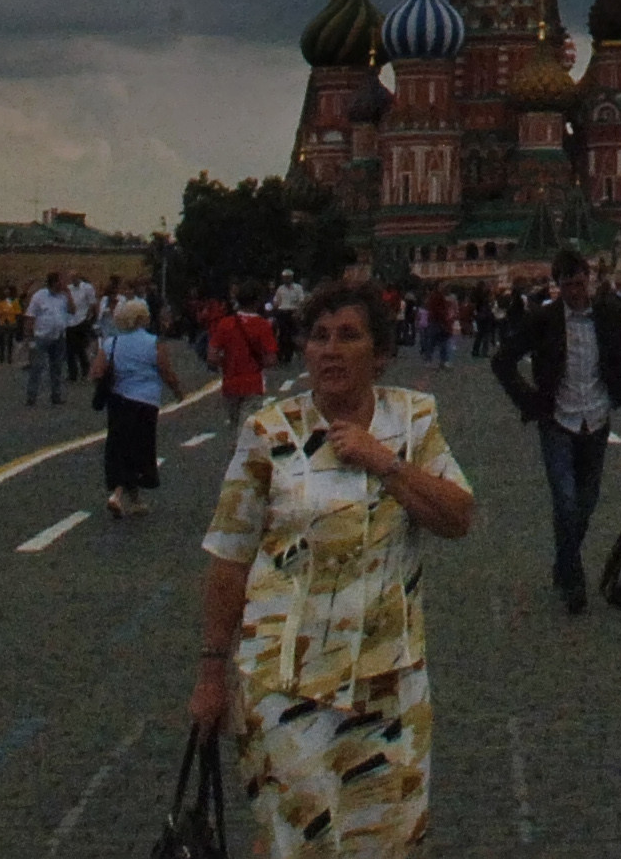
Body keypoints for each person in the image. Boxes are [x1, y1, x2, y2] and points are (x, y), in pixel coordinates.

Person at [192, 279, 478, 854]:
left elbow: (457, 517)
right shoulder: (267, 433)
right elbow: (229, 556)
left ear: (380, 353)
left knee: (389, 843)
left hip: (388, 681)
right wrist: (209, 674)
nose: (329, 349)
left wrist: (386, 463)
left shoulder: (413, 419)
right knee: (296, 842)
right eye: (319, 337)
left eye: (348, 336)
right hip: (283, 680)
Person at [492, 248, 621, 615]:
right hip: (558, 418)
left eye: (581, 283)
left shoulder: (608, 314)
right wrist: (529, 401)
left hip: (595, 416)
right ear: (558, 286)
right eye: (569, 286)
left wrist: (620, 384)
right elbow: (503, 359)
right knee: (564, 499)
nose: (576, 292)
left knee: (587, 499)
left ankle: (564, 563)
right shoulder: (543, 319)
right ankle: (573, 577)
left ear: (589, 280)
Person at [99, 296, 186, 517]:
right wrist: (178, 393)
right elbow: (166, 371)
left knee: (119, 445)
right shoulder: (152, 342)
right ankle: (118, 494)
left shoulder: (112, 343)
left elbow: (96, 372)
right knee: (138, 449)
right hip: (145, 401)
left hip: (118, 400)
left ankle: (135, 500)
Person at [207, 284, 278, 428]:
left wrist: (226, 362)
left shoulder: (226, 323)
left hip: (230, 384)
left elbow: (212, 356)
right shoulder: (262, 325)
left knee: (235, 426)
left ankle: (235, 448)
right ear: (257, 302)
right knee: (247, 431)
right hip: (253, 384)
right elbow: (271, 359)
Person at [25, 273, 73, 405]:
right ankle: (32, 395)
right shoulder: (39, 296)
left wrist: (68, 294)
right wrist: (29, 337)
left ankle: (56, 395)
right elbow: (31, 315)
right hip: (42, 336)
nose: (63, 284)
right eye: (61, 281)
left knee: (57, 367)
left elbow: (72, 310)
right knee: (37, 367)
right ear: (54, 283)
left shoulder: (63, 297)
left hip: (59, 336)